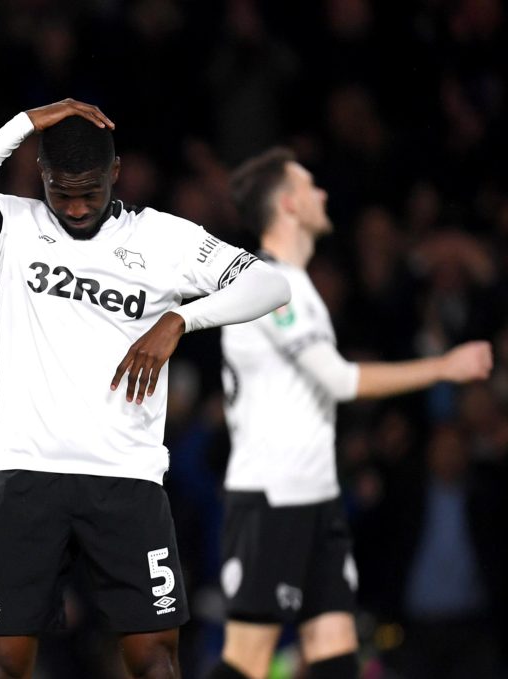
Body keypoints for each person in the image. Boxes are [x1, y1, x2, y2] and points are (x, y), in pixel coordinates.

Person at [0, 98, 291, 679]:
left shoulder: (164, 240)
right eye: (59, 191)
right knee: (2, 664)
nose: (73, 207)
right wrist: (23, 125)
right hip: (24, 474)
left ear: (115, 173)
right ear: (39, 174)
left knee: (154, 658)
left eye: (88, 191)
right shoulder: (15, 227)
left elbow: (269, 284)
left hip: (127, 478)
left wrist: (180, 320)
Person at [210, 146, 493, 679]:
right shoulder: (272, 285)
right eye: (310, 185)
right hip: (274, 497)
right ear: (290, 204)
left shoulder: (300, 285)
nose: (322, 194)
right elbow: (339, 379)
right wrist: (443, 367)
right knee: (246, 663)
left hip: (313, 496)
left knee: (335, 653)